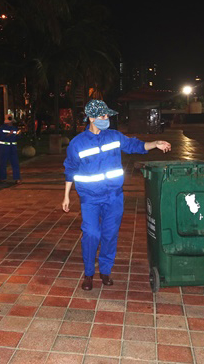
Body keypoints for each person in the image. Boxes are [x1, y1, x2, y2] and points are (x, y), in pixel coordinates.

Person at [62, 100, 172, 291]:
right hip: (89, 197)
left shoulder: (114, 136)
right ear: (91, 118)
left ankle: (105, 270)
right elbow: (70, 169)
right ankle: (89, 273)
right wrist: (66, 196)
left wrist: (155, 143)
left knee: (109, 235)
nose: (107, 119)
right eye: (103, 116)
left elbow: (134, 145)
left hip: (113, 196)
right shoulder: (77, 143)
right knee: (91, 234)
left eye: (107, 116)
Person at [0, 114, 21, 184]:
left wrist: (18, 135)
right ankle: (3, 177)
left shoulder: (14, 128)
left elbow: (17, 138)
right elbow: (0, 137)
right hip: (4, 148)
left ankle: (17, 178)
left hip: (12, 148)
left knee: (15, 163)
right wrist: (9, 135)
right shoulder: (2, 128)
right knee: (3, 163)